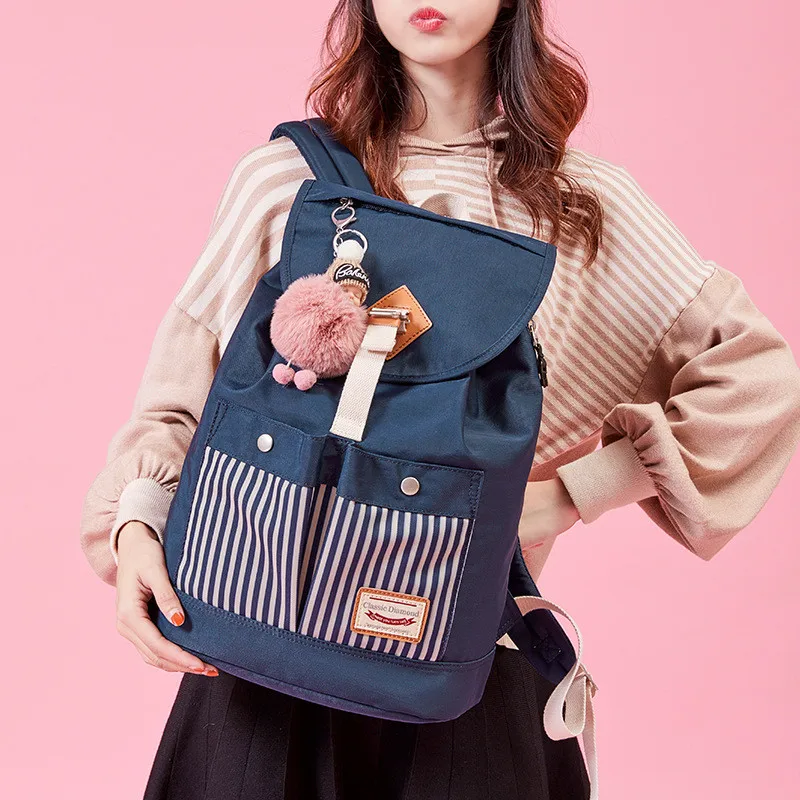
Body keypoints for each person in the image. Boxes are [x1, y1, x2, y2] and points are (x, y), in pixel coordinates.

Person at [79, 1, 800, 798]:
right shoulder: (284, 181)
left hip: (467, 668)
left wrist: (569, 495)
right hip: (256, 655)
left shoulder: (581, 203)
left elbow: (761, 380)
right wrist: (135, 527)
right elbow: (177, 405)